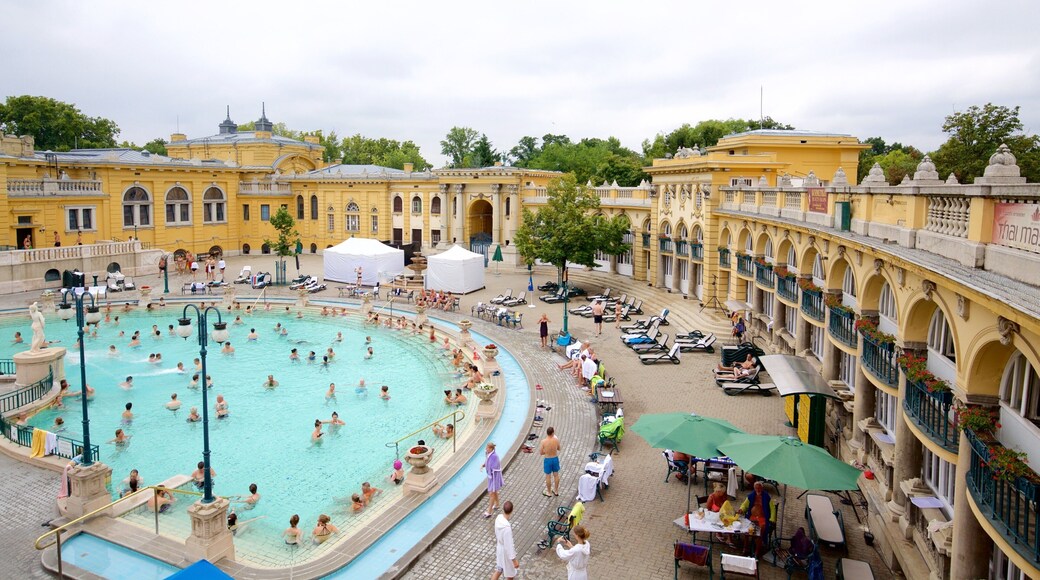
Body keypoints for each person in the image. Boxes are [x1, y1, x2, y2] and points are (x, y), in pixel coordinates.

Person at [737, 480, 773, 557]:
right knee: (747, 531)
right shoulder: (751, 495)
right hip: (752, 516)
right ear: (754, 488)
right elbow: (744, 505)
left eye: (759, 488)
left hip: (762, 517)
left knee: (760, 533)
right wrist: (741, 509)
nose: (758, 490)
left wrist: (772, 519)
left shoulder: (766, 497)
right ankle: (745, 548)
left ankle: (757, 551)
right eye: (756, 488)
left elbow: (772, 508)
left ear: (762, 488)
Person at [492, 501, 519, 580]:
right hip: (505, 552)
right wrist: (514, 560)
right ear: (512, 511)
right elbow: (509, 545)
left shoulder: (498, 518)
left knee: (499, 569)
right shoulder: (507, 528)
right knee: (510, 574)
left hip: (499, 547)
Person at [482, 442, 504, 518]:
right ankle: (497, 504)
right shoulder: (488, 454)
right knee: (494, 492)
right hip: (491, 477)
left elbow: (495, 466)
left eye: (487, 448)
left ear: (491, 449)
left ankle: (489, 511)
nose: (486, 449)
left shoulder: (495, 456)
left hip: (494, 477)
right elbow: (488, 462)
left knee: (491, 493)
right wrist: (484, 465)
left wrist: (490, 470)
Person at [540, 426, 562, 496]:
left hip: (547, 459)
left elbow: (541, 453)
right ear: (552, 433)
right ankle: (556, 491)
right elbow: (559, 448)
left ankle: (549, 492)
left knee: (548, 476)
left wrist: (546, 451)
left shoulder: (543, 442)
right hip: (555, 458)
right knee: (556, 475)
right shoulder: (556, 440)